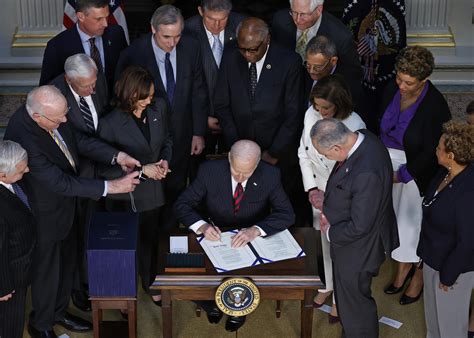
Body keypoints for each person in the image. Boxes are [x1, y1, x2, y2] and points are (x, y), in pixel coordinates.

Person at [4, 85, 140, 338]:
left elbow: (77, 140)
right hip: (45, 216)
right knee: (47, 272)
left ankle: (59, 312)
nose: (65, 120)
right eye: (60, 118)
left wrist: (117, 156)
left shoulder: (52, 115)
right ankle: (41, 324)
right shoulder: (25, 136)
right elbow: (59, 182)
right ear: (38, 117)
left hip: (66, 208)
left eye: (65, 113)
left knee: (67, 265)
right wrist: (111, 186)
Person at [174, 140, 294, 332]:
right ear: (229, 158)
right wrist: (202, 226)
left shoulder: (270, 174)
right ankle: (211, 304)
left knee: (247, 275)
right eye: (235, 170)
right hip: (215, 232)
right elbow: (182, 205)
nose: (239, 177)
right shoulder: (209, 170)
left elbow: (286, 214)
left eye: (246, 173)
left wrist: (256, 230)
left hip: (249, 237)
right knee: (188, 275)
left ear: (257, 165)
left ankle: (238, 308)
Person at [116, 4, 208, 230]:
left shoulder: (191, 47)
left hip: (182, 137)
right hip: (147, 142)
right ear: (152, 29)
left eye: (177, 36)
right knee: (148, 198)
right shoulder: (134, 53)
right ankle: (149, 244)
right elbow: (122, 100)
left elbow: (198, 91)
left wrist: (198, 132)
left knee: (176, 191)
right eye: (166, 36)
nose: (172, 42)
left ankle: (166, 243)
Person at [214, 17, 306, 226]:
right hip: (240, 154)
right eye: (243, 49)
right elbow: (222, 105)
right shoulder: (230, 57)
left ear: (267, 40)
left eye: (253, 49)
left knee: (281, 210)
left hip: (277, 155)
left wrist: (273, 153)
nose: (247, 55)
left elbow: (293, 114)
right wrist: (238, 147)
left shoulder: (289, 62)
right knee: (245, 211)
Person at [311, 118, 398, 337]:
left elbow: (361, 225)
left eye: (326, 155)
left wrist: (330, 230)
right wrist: (329, 203)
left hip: (359, 251)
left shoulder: (366, 172)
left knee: (355, 305)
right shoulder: (363, 137)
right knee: (350, 304)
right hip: (354, 247)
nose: (325, 158)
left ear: (337, 147)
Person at [380, 46, 451, 305]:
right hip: (384, 157)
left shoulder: (436, 107)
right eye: (399, 78)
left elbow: (433, 153)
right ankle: (396, 262)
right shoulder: (392, 87)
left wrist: (403, 175)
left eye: (408, 82)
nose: (400, 85)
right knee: (383, 213)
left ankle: (409, 271)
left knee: (408, 223)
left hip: (414, 168)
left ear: (424, 80)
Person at [99, 65, 172, 306]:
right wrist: (142, 171)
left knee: (150, 243)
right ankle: (122, 296)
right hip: (124, 198)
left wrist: (164, 160)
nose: (150, 100)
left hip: (153, 195)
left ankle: (151, 285)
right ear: (130, 95)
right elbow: (102, 169)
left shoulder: (158, 108)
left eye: (151, 95)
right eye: (145, 97)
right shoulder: (109, 123)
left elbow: (167, 139)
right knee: (126, 250)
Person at [297, 74, 365, 322]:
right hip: (318, 192)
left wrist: (331, 198)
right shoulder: (309, 114)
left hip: (342, 196)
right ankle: (325, 286)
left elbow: (355, 170)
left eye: (326, 107)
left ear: (340, 104)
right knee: (322, 244)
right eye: (317, 106)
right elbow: (303, 154)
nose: (320, 111)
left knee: (342, 248)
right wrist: (312, 189)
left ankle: (341, 299)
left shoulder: (355, 124)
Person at [51, 53, 110, 311]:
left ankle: (98, 280)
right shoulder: (54, 97)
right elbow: (75, 140)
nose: (92, 89)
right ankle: (78, 287)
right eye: (86, 86)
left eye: (94, 83)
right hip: (76, 179)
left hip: (105, 170)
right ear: (68, 80)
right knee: (77, 236)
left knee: (99, 231)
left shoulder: (96, 80)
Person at [417, 120, 474, 338]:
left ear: (450, 155)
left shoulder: (468, 191)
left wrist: (449, 276)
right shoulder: (445, 173)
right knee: (433, 322)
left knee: (450, 328)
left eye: (440, 147)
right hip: (433, 258)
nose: (436, 150)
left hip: (454, 269)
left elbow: (468, 241)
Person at [184, 0, 245, 155]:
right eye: (211, 19)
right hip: (199, 119)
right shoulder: (186, 32)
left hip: (237, 119)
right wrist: (202, 121)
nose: (217, 25)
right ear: (200, 11)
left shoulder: (243, 27)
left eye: (223, 19)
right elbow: (185, 83)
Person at [40, 0, 128, 92]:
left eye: (107, 17)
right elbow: (47, 87)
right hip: (80, 104)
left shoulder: (116, 33)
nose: (105, 24)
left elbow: (126, 68)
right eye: (99, 19)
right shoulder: (57, 46)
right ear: (81, 16)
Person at [271, 0, 360, 79]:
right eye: (294, 12)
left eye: (303, 14)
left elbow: (350, 76)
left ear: (318, 10)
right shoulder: (280, 20)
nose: (297, 19)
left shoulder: (341, 37)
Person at [0, 141, 35, 338]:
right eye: (21, 170)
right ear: (2, 175)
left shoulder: (10, 184)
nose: (28, 170)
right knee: (9, 327)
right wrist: (3, 287)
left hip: (20, 269)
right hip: (9, 281)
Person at [302, 36, 362, 110]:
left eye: (318, 67)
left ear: (333, 61)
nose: (311, 71)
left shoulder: (348, 83)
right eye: (308, 64)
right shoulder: (303, 72)